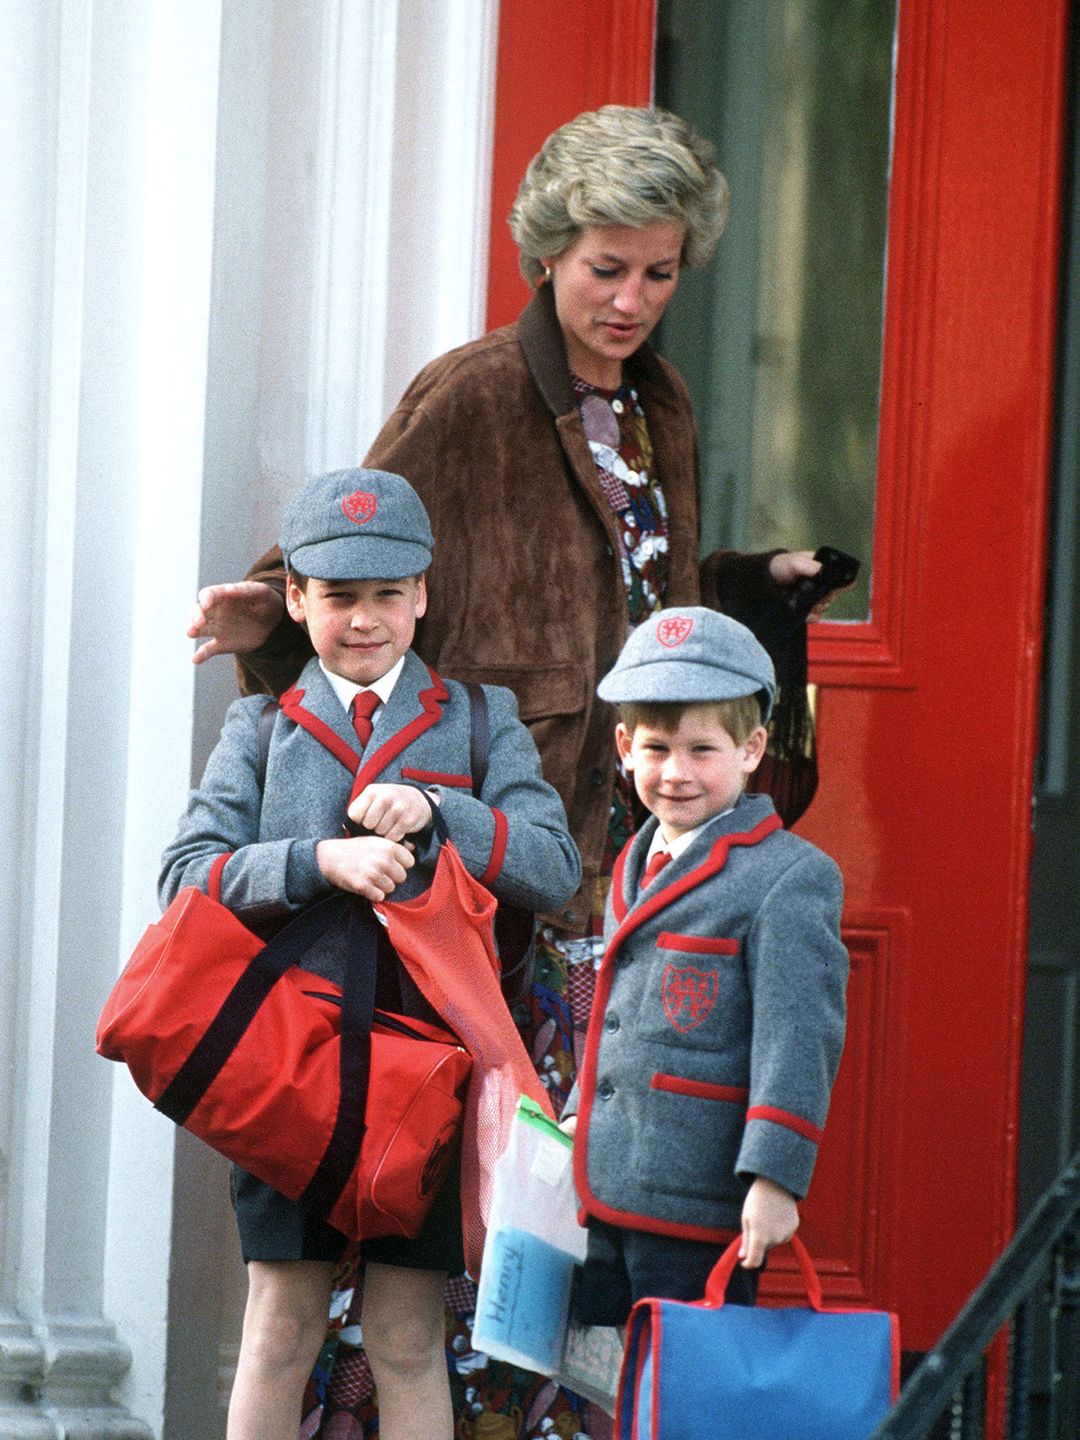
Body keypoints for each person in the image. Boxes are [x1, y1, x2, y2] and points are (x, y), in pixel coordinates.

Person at [185, 104, 847, 1431]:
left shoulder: (661, 406)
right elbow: (360, 546)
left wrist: (750, 588)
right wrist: (263, 614)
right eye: (608, 266)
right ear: (550, 250)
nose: (632, 299)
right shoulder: (475, 390)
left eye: (659, 272)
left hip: (622, 879)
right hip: (484, 886)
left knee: (562, 1255)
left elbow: (636, 610)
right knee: (449, 1248)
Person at [159, 467, 580, 1440]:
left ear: (423, 595)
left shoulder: (480, 722)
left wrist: (443, 812)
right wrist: (319, 860)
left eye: (388, 594)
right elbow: (186, 878)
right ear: (295, 599)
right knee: (279, 1328)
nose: (365, 621)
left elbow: (553, 866)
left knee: (403, 1338)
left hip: (428, 1073)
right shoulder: (260, 727)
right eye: (339, 596)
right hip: (287, 1070)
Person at [560, 606, 848, 1324]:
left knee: (687, 1392)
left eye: (702, 750)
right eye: (656, 749)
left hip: (702, 1205)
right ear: (624, 747)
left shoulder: (790, 876)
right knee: (620, 1389)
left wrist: (776, 1177)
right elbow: (622, 1011)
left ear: (751, 749)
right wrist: (576, 1118)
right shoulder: (636, 858)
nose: (676, 774)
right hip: (608, 1189)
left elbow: (798, 1038)